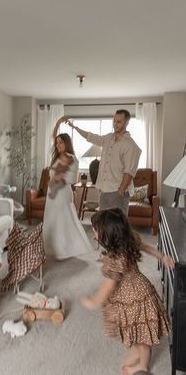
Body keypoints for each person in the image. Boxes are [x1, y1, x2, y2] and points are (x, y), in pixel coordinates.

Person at [81, 208, 173, 375]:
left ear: (106, 235)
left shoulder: (115, 261)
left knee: (141, 335)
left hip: (133, 299)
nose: (93, 233)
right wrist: (162, 257)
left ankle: (142, 366)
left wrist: (92, 301)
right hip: (140, 289)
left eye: (95, 230)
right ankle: (139, 350)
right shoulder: (129, 239)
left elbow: (107, 288)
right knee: (140, 332)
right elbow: (147, 247)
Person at [65, 110, 141, 215]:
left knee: (117, 226)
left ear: (126, 123)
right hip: (104, 191)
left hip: (118, 192)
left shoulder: (131, 146)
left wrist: (121, 190)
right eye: (114, 121)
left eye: (119, 122)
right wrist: (75, 127)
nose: (115, 124)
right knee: (104, 224)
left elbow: (129, 171)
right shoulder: (108, 138)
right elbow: (91, 137)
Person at [42, 117, 93, 259]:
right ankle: (53, 248)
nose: (57, 145)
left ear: (67, 144)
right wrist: (58, 122)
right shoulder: (58, 158)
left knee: (63, 221)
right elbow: (54, 137)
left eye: (60, 143)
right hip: (52, 194)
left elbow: (70, 179)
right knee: (52, 220)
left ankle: (64, 250)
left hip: (62, 194)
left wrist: (60, 177)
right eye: (57, 143)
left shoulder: (71, 158)